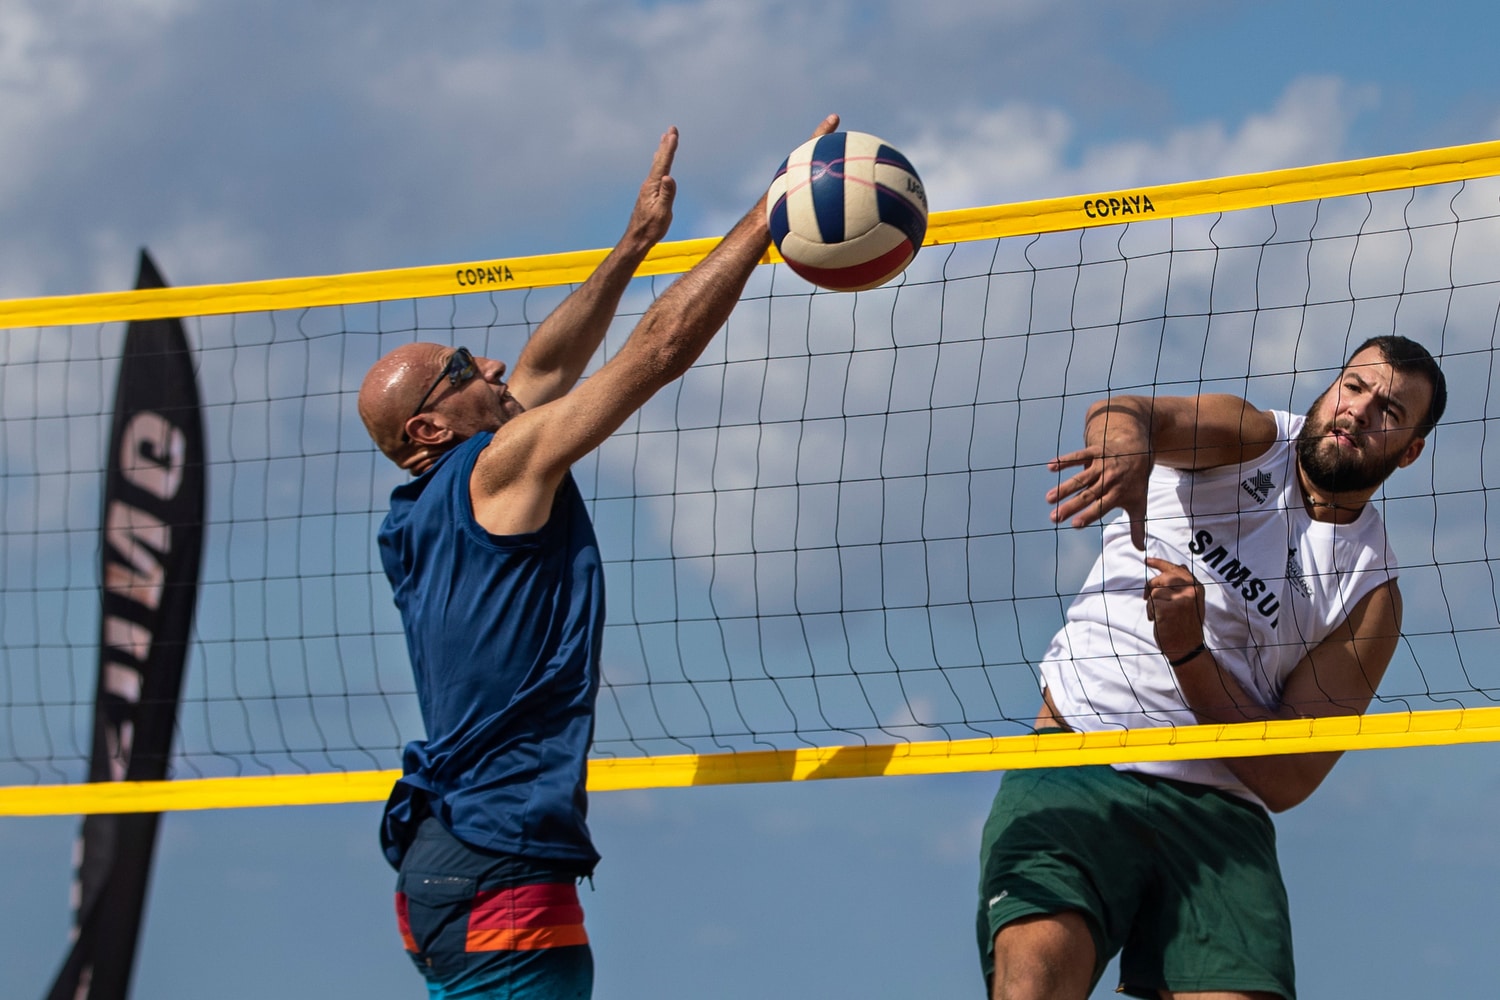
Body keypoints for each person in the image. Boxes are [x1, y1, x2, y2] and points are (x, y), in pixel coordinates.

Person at [358, 114, 840, 999]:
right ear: (430, 425)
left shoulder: (416, 511)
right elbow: (654, 354)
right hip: (498, 865)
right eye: (465, 365)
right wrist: (769, 214)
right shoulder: (496, 470)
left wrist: (631, 246)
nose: (493, 360)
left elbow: (543, 368)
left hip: (443, 857)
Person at [976, 335, 1447, 1000]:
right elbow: (1126, 412)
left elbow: (1287, 777)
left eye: (1390, 411)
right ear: (1329, 390)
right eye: (1354, 387)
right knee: (1035, 979)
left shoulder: (1371, 594)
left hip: (1217, 813)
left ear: (1411, 449)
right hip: (1081, 756)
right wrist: (1126, 447)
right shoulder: (1248, 437)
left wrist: (1189, 653)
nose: (1360, 411)